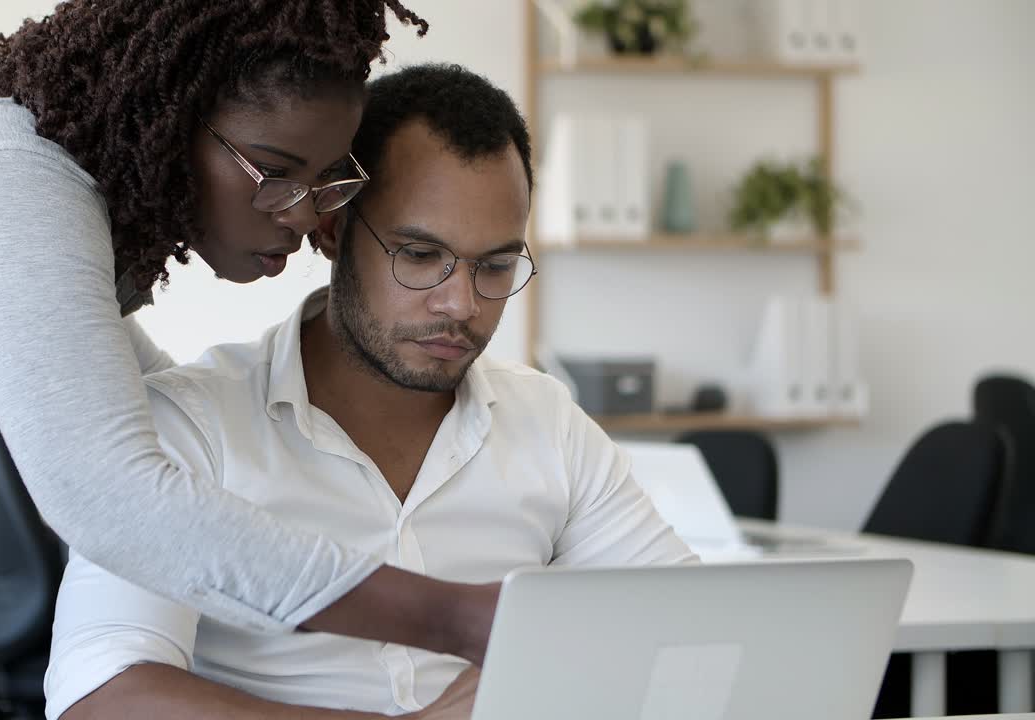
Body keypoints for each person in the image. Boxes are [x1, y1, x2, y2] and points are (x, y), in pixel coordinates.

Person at [0, 4, 506, 719]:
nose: (304, 214)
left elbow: (158, 396)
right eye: (276, 171)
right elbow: (108, 495)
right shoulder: (8, 185)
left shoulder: (79, 216)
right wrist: (458, 616)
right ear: (176, 120)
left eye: (324, 182)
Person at [44, 64, 695, 720]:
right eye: (418, 255)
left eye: (495, 266)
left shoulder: (546, 421)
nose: (461, 304)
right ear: (331, 228)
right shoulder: (194, 425)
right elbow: (100, 697)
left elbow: (691, 627)